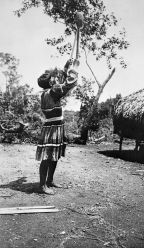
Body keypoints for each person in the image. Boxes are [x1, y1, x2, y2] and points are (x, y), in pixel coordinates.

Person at [36, 58, 79, 195]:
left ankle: (49, 181)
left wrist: (66, 67)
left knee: (54, 155)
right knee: (48, 157)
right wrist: (74, 69)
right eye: (53, 78)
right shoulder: (52, 91)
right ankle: (43, 186)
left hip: (55, 126)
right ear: (50, 82)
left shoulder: (46, 92)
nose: (56, 79)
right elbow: (68, 84)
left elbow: (61, 83)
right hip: (53, 128)